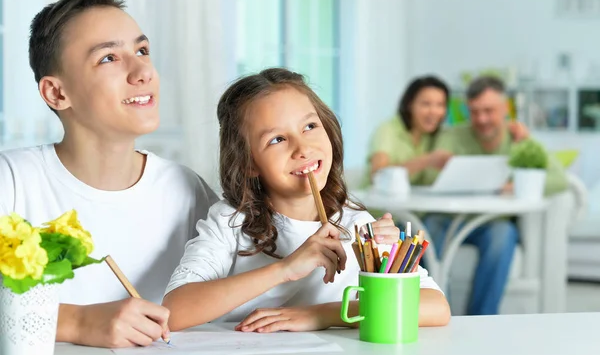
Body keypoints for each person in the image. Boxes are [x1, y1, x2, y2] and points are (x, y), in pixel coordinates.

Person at [0, 0, 219, 347]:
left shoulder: (187, 190)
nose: (143, 71)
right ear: (56, 93)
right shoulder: (11, 181)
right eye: (108, 59)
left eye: (142, 51)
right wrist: (77, 322)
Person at [162, 68, 451, 332]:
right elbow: (174, 311)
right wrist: (285, 269)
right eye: (277, 139)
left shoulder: (356, 223)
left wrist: (323, 314)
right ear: (248, 162)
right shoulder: (230, 222)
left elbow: (436, 308)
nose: (303, 148)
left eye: (310, 127)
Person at [425, 75, 569, 315]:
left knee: (503, 236)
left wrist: (516, 186)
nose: (481, 119)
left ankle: (481, 319)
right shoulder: (452, 137)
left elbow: (559, 179)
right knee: (428, 227)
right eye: (475, 111)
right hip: (449, 219)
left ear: (505, 108)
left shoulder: (519, 139)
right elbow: (427, 181)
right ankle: (437, 312)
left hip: (492, 224)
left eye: (489, 111)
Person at [365, 75, 453, 187]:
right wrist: (427, 160)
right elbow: (378, 175)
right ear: (409, 105)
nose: (434, 111)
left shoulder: (433, 135)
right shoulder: (388, 130)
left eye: (440, 105)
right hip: (375, 202)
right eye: (426, 104)